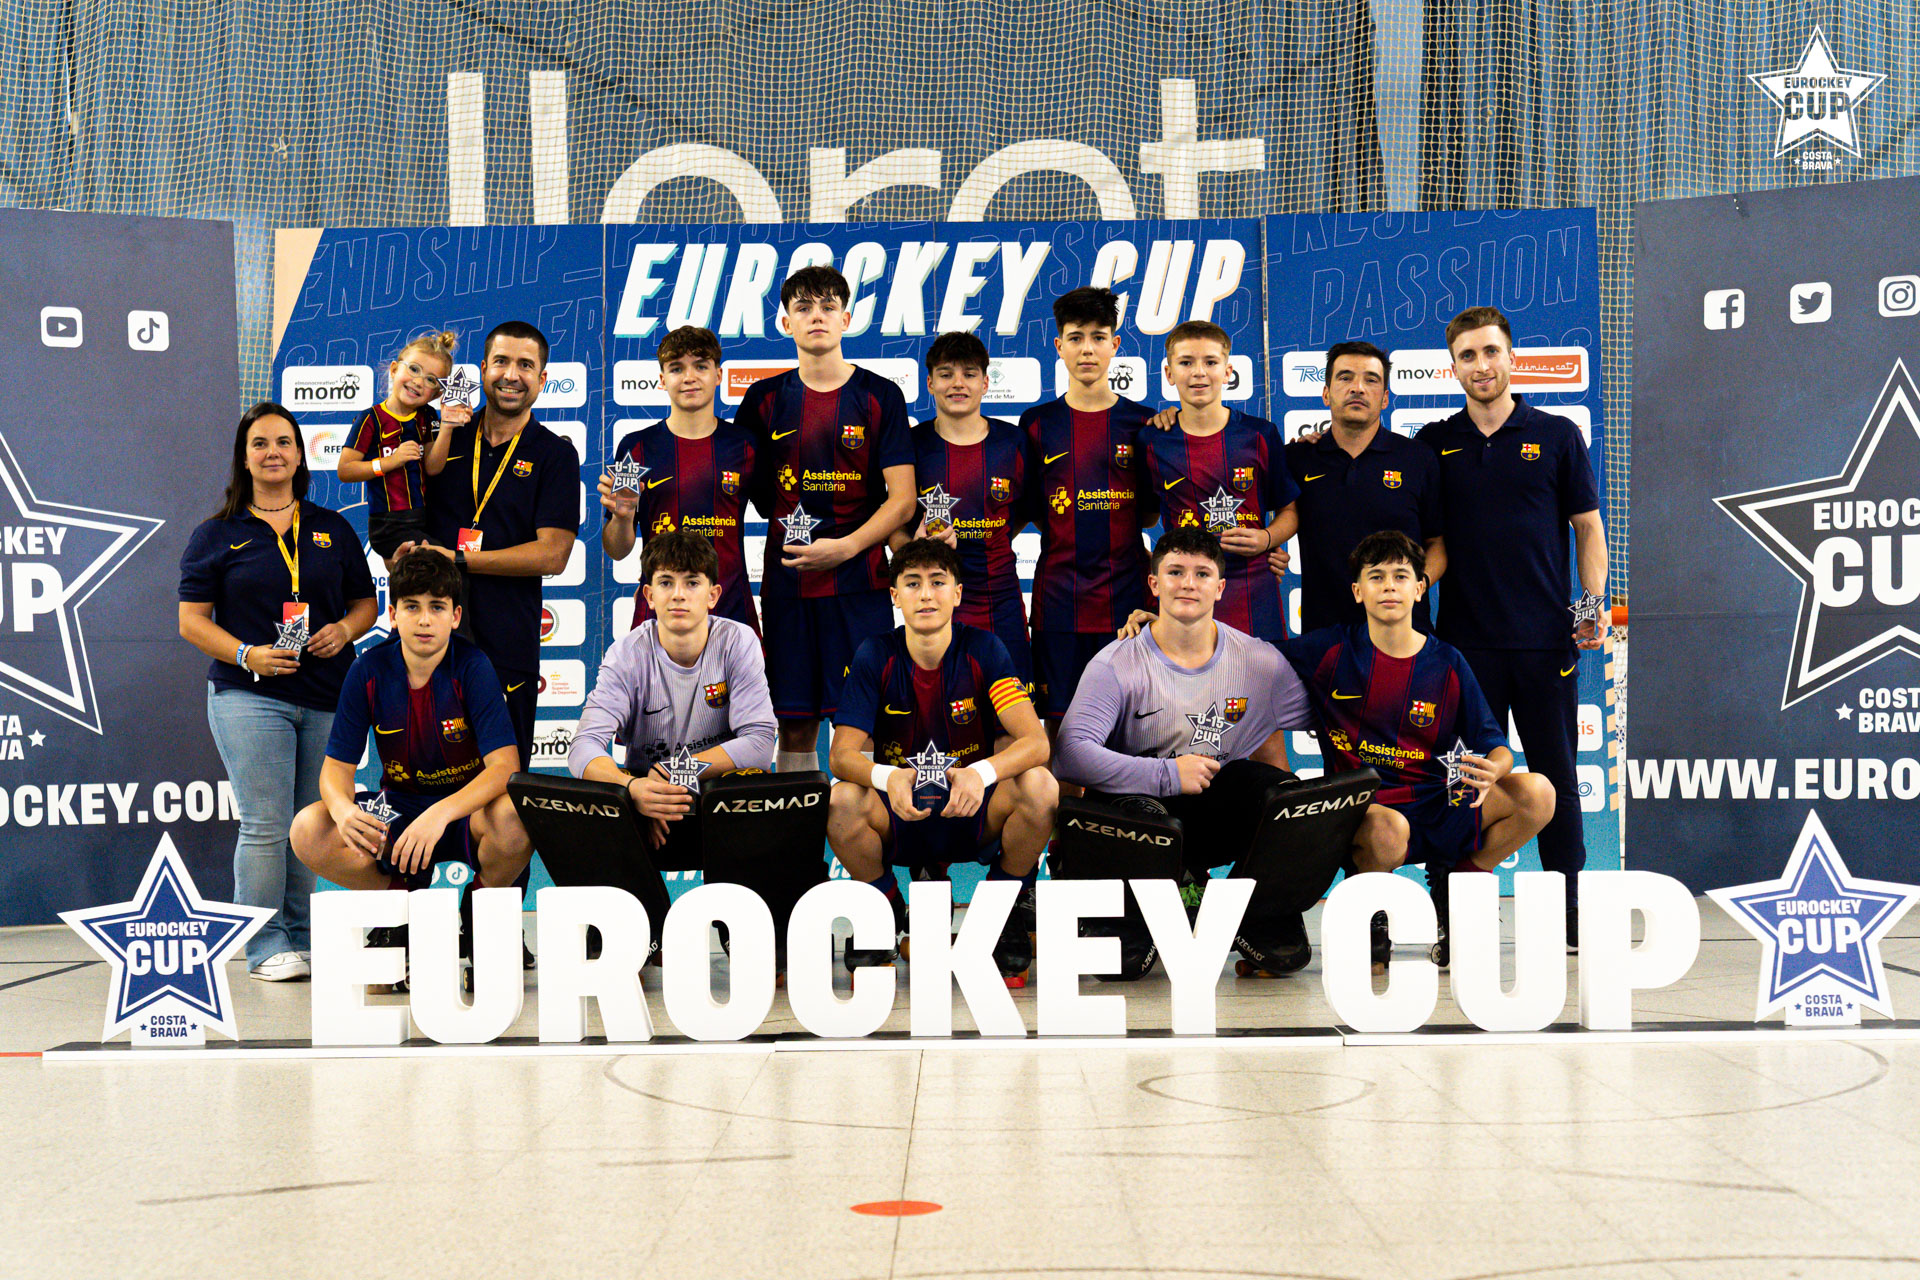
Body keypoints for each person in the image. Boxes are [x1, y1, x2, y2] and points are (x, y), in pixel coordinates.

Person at [1056, 528, 1399, 976]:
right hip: (1138, 813)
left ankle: (1259, 908)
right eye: (1175, 572)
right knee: (1123, 962)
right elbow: (1071, 755)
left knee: (1283, 793)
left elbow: (1339, 716)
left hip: (1211, 810)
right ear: (1154, 583)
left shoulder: (1259, 661)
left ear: (1220, 587)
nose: (1188, 584)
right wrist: (1167, 774)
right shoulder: (1116, 663)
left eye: (1202, 574)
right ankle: (1135, 909)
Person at [1414, 306, 1605, 946]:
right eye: (1467, 355)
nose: (1481, 365)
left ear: (1511, 357)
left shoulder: (1556, 435)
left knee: (1557, 777)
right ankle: (1453, 913)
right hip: (1464, 649)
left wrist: (1592, 603)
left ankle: (1568, 910)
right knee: (1462, 783)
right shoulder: (1434, 442)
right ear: (1453, 367)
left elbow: (1588, 527)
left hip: (1545, 643)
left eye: (1490, 351)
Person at [1282, 531, 1555, 966]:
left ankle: (1459, 884)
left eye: (1400, 576)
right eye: (1376, 577)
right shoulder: (1329, 650)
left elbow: (1496, 746)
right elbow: (1247, 654)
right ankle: (1371, 913)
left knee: (1539, 792)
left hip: (1439, 801)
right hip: (1373, 811)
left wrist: (1495, 769)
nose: (1389, 586)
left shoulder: (1447, 661)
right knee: (1388, 832)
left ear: (1420, 589)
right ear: (1357, 591)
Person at [178, 403, 378, 982]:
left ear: (299, 453)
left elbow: (365, 603)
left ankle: (302, 936)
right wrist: (248, 654)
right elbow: (192, 621)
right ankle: (264, 944)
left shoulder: (331, 527)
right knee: (266, 823)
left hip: (327, 695)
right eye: (260, 443)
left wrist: (345, 629)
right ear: (244, 458)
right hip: (249, 694)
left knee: (311, 822)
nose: (273, 453)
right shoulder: (216, 534)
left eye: (284, 442)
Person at [826, 539, 1057, 985]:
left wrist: (981, 773)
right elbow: (841, 755)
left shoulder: (985, 650)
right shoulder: (875, 653)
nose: (926, 594)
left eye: (937, 582)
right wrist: (887, 777)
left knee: (1041, 787)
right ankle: (885, 911)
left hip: (972, 811)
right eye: (913, 584)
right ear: (895, 596)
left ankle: (998, 915)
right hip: (901, 814)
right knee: (842, 802)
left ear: (957, 593)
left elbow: (1036, 742)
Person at [736, 265, 916, 773]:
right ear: (786, 323)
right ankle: (800, 829)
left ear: (847, 319)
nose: (816, 316)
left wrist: (846, 547)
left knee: (862, 723)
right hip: (789, 587)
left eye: (828, 307)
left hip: (860, 584)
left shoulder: (881, 395)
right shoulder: (763, 400)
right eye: (803, 308)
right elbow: (750, 493)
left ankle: (862, 827)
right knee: (793, 723)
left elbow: (902, 501)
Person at [289, 549, 532, 919]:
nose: (424, 620)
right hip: (397, 810)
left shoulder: (474, 666)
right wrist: (342, 810)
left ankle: (476, 916)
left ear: (455, 616)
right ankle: (406, 911)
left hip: (466, 810)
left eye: (437, 607)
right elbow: (336, 770)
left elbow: (504, 767)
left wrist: (440, 813)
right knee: (309, 829)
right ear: (392, 615)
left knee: (517, 817)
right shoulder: (367, 670)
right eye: (412, 607)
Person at [409, 320, 579, 770]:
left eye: (526, 365)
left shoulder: (555, 454)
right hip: (429, 640)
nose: (511, 375)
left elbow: (553, 554)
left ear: (543, 378)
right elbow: (398, 511)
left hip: (507, 644)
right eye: (501, 361)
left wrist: (458, 559)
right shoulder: (442, 435)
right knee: (424, 779)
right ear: (483, 368)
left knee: (503, 785)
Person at [569, 530, 778, 862]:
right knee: (599, 811)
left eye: (692, 583)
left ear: (713, 595)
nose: (679, 595)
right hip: (646, 802)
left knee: (758, 796)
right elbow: (583, 747)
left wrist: (672, 772)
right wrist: (632, 789)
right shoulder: (626, 654)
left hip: (718, 796)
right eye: (666, 583)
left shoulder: (738, 641)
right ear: (649, 596)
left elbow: (760, 744)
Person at [1020, 286, 1157, 725]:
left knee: (1132, 727)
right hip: (1058, 602)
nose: (1087, 349)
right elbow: (1033, 510)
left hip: (1128, 600)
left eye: (1098, 337)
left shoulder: (1145, 423)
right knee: (1059, 727)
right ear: (1059, 345)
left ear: (1114, 345)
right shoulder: (1036, 424)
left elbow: (1153, 512)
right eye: (1076, 337)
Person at [1137, 321, 1298, 643]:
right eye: (1186, 362)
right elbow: (1142, 518)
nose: (1199, 372)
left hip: (1254, 590)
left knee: (1261, 673)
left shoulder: (1259, 434)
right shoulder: (1152, 440)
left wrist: (1267, 539)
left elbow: (1290, 512)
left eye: (1210, 362)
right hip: (1186, 590)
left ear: (1227, 371)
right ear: (1169, 373)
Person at [1278, 341, 1446, 634]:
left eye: (1371, 380)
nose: (1358, 388)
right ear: (1326, 394)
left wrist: (1418, 585)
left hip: (1405, 634)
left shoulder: (1418, 458)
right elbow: (1265, 521)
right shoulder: (1296, 458)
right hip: (1324, 636)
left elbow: (1438, 543)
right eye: (1345, 377)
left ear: (1384, 398)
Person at [601, 325, 760, 633]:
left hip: (731, 608)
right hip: (659, 612)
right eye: (676, 368)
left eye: (700, 366)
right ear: (662, 380)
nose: (689, 377)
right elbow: (616, 549)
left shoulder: (746, 445)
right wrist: (622, 517)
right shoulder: (636, 448)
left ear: (718, 375)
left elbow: (780, 512)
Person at [898, 331, 1034, 681]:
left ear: (986, 383)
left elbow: (1023, 511)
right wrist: (914, 549)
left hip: (1000, 597)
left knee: (1013, 703)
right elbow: (894, 520)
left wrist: (992, 539)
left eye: (969, 374)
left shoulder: (1014, 442)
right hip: (934, 599)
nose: (958, 383)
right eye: (946, 374)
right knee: (944, 702)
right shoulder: (910, 444)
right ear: (929, 383)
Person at [336, 331, 469, 565]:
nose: (418, 382)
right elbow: (346, 471)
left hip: (423, 521)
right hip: (388, 526)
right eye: (414, 369)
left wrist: (447, 427)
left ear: (437, 393)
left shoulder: (428, 416)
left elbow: (433, 467)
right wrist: (390, 462)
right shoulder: (370, 419)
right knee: (449, 565)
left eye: (430, 380)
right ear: (394, 369)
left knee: (439, 574)